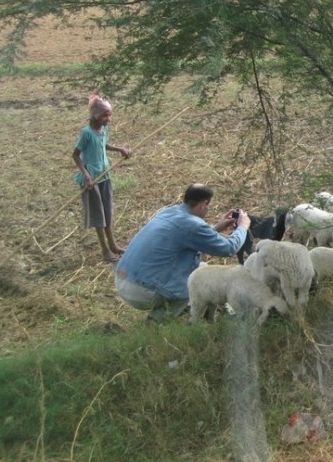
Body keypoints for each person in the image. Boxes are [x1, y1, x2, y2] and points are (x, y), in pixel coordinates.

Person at [115, 183, 251, 322]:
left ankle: (187, 308)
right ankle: (158, 321)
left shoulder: (168, 211)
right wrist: (243, 227)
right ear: (205, 203)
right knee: (196, 282)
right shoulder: (192, 225)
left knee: (202, 269)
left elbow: (186, 235)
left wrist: (216, 228)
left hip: (122, 279)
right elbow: (229, 248)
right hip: (142, 292)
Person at [72, 94, 131, 262]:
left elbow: (103, 145)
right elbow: (75, 155)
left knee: (107, 212)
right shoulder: (86, 133)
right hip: (91, 180)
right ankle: (105, 250)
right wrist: (86, 175)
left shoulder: (103, 129)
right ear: (95, 115)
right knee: (99, 215)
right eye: (105, 115)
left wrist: (120, 149)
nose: (109, 119)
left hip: (105, 174)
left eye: (109, 114)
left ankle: (113, 245)